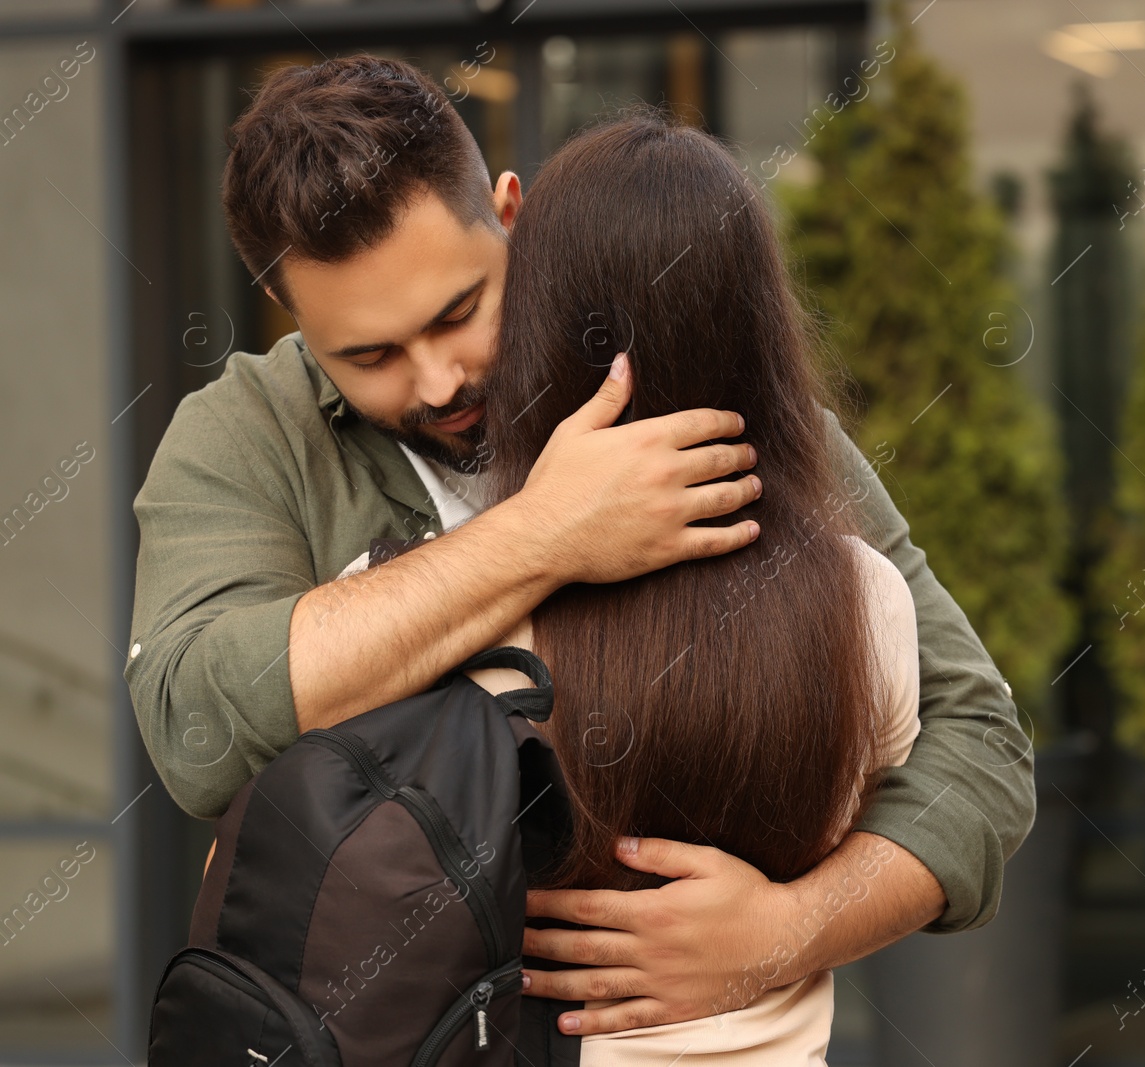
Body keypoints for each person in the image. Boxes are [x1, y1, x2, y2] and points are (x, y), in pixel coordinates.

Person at [126, 54, 1033, 1044]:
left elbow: (978, 738)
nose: (437, 379)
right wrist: (544, 535)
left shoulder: (698, 388)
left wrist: (789, 928)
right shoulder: (247, 433)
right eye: (371, 355)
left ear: (511, 214)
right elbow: (197, 727)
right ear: (291, 316)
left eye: (457, 311)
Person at [463, 110, 921, 1062]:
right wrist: (786, 926)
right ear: (759, 318)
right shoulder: (868, 598)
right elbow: (908, 778)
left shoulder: (466, 613)